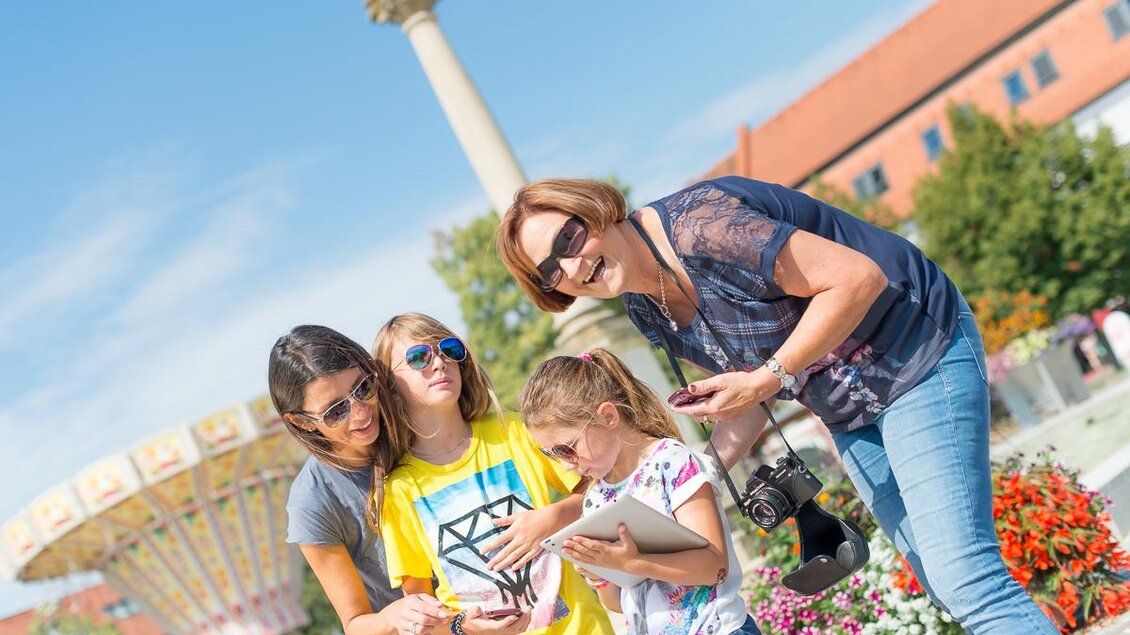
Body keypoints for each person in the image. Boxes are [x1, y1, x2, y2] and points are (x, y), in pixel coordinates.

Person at [495, 176, 1059, 634]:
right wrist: (690, 482)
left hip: (914, 348)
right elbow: (742, 401)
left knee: (966, 578)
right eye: (550, 271)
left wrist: (769, 377)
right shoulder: (647, 310)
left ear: (595, 211)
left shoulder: (701, 226)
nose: (570, 267)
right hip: (847, 408)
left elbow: (857, 279)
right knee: (940, 582)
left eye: (568, 240)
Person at [372, 313, 614, 635]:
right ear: (389, 385)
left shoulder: (512, 430)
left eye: (449, 349)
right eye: (419, 357)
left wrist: (554, 516)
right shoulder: (398, 490)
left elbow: (602, 489)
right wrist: (462, 627)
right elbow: (419, 608)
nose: (440, 363)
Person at [518, 348, 762, 635]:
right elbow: (620, 603)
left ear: (608, 416)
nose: (565, 465)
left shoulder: (673, 463)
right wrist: (600, 574)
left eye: (566, 449)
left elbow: (714, 568)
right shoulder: (596, 498)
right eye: (551, 454)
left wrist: (632, 562)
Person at [269, 325, 452, 635]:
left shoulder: (415, 421)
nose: (360, 412)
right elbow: (355, 623)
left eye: (363, 388)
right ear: (301, 421)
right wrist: (394, 615)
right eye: (336, 410)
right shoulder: (313, 502)